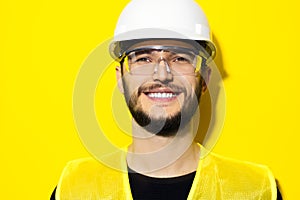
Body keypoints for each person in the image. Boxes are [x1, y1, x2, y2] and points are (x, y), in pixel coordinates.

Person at [52, 0, 282, 199]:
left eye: (181, 58)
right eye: (143, 59)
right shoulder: (74, 190)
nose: (162, 74)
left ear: (204, 79)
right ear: (121, 78)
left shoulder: (255, 190)